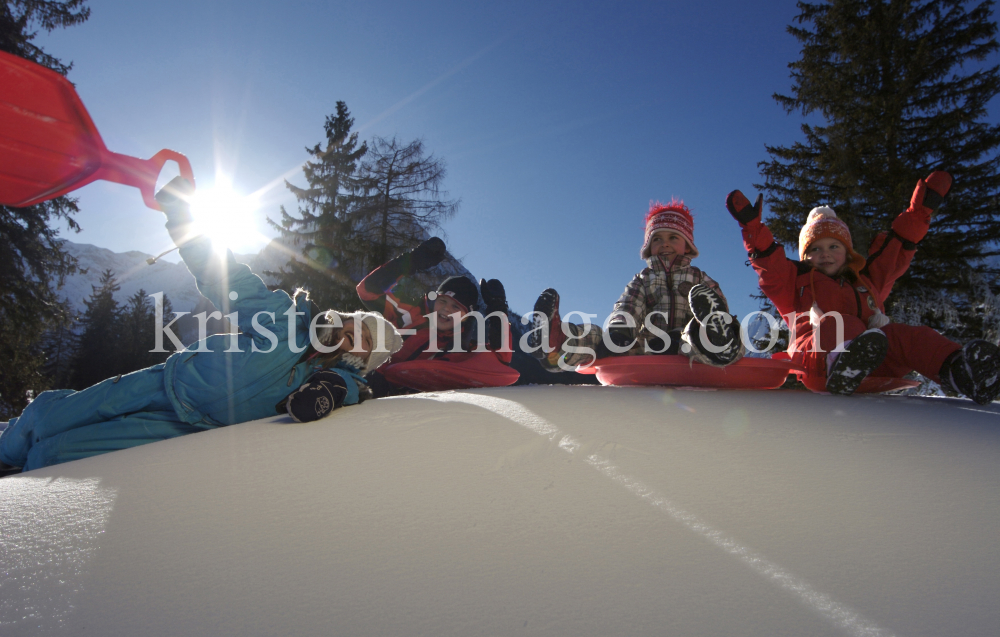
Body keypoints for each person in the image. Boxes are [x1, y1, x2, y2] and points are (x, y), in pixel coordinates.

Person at [0, 177, 402, 474]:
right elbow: (225, 277)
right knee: (51, 420)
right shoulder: (285, 318)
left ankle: (17, 480)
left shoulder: (332, 382)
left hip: (184, 426)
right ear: (344, 317)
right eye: (356, 324)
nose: (353, 335)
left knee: (58, 456)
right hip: (168, 381)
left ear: (364, 360)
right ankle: (6, 446)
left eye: (365, 341)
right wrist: (183, 217)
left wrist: (339, 387)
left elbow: (350, 392)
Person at [726, 171, 1000, 403]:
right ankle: (843, 365)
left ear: (847, 252)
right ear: (804, 257)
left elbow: (895, 251)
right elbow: (769, 265)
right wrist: (753, 229)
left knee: (910, 336)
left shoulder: (865, 281)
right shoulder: (794, 281)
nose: (826, 254)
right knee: (841, 323)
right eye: (815, 249)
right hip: (818, 360)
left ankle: (958, 369)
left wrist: (919, 213)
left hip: (872, 357)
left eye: (834, 246)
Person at [530, 200, 744, 371]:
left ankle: (718, 340)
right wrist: (620, 332)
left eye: (673, 237)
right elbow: (628, 306)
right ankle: (556, 342)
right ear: (649, 247)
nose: (665, 243)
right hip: (648, 347)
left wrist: (715, 320)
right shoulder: (643, 279)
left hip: (684, 345)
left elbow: (721, 306)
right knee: (597, 336)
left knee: (697, 335)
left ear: (687, 246)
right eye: (657, 239)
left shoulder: (699, 279)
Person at [356, 237, 512, 396]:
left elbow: (501, 359)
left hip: (410, 402)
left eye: (456, 307)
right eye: (442, 300)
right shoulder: (407, 314)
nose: (446, 308)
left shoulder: (462, 347)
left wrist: (498, 309)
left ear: (466, 317)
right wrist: (411, 260)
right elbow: (367, 291)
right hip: (368, 382)